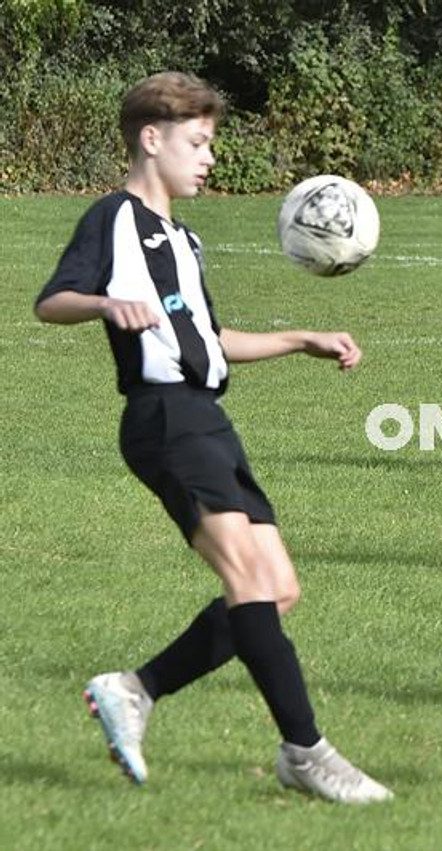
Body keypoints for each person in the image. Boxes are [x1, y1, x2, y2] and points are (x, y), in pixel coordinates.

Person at [34, 72, 392, 804]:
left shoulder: (185, 239)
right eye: (197, 143)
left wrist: (301, 338)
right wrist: (105, 301)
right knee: (249, 583)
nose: (208, 158)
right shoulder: (115, 218)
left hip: (208, 419)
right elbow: (53, 301)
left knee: (277, 589)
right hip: (164, 419)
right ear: (151, 138)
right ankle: (306, 749)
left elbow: (209, 338)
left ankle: (135, 688)